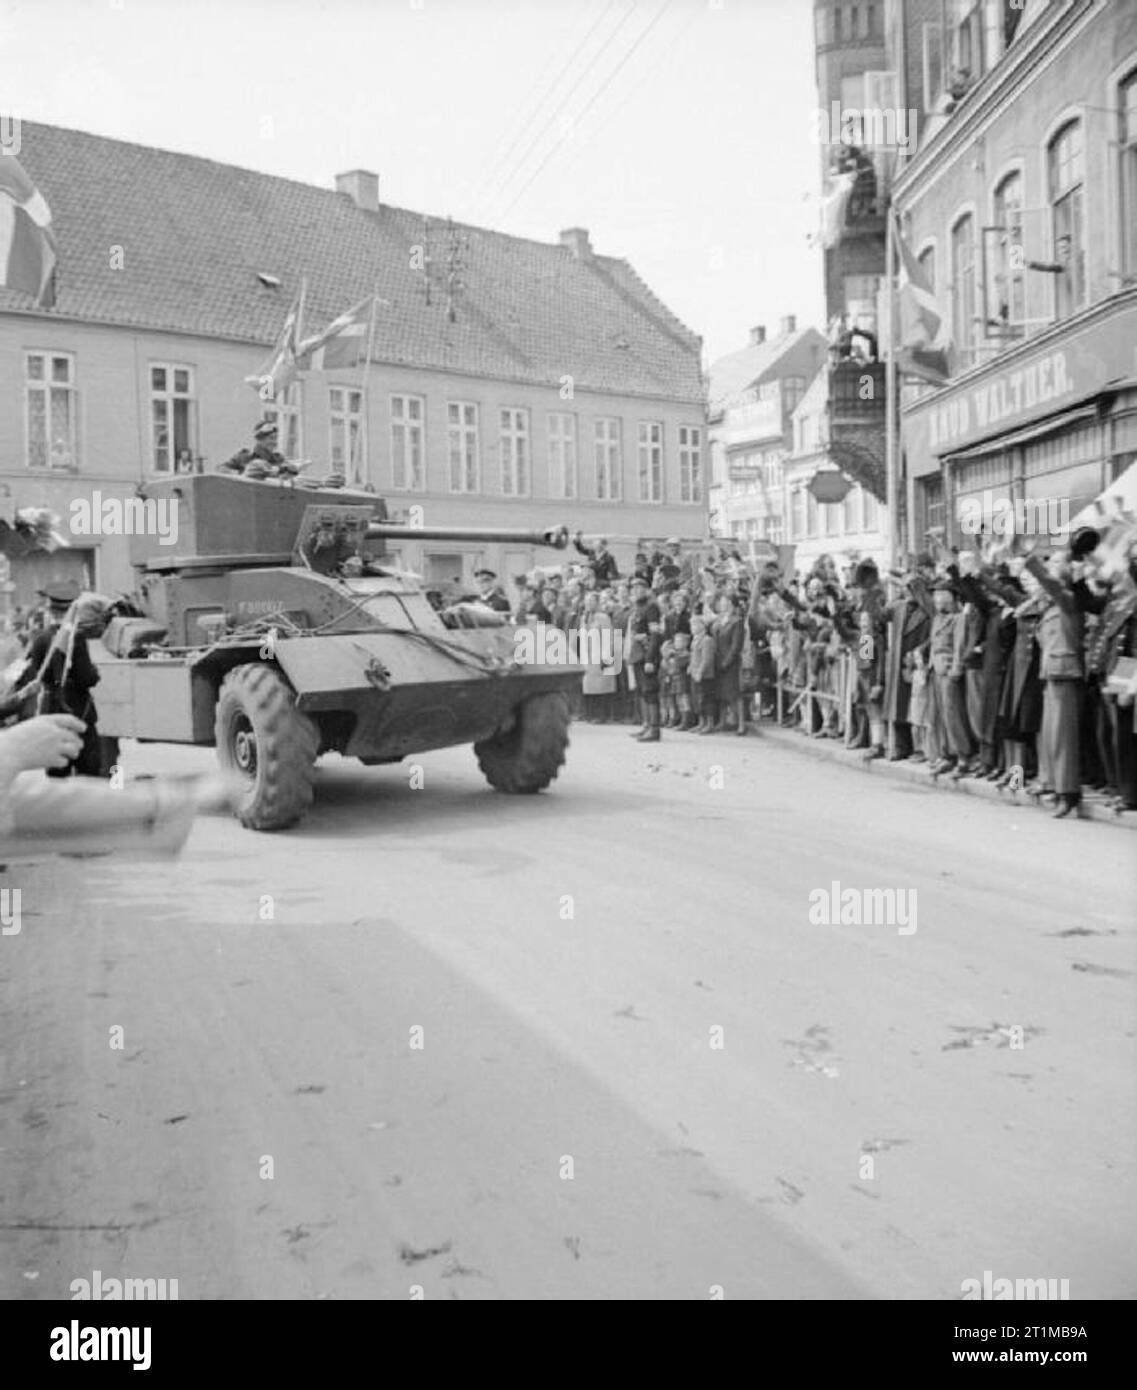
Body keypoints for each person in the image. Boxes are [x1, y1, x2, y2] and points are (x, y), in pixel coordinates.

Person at [8, 586, 113, 778]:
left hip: (50, 708)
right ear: (72, 610)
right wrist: (96, 673)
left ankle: (59, 804)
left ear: (50, 609)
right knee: (89, 766)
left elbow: (36, 673)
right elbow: (86, 678)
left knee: (57, 767)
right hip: (78, 709)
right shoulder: (75, 638)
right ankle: (105, 797)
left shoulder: (40, 638)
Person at [626, 575, 663, 742]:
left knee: (650, 691)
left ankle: (654, 730)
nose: (635, 591)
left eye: (639, 588)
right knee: (642, 691)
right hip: (637, 654)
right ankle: (646, 725)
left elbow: (655, 635)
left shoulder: (651, 607)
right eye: (633, 588)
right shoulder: (636, 608)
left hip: (646, 654)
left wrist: (650, 659)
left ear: (646, 590)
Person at [217, 419, 298, 480]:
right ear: (260, 439)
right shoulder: (244, 456)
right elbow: (221, 468)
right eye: (271, 438)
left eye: (275, 438)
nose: (274, 442)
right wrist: (241, 476)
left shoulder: (279, 459)